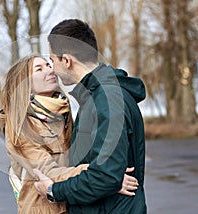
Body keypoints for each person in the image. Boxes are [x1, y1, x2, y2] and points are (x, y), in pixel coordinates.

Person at [0, 54, 139, 213]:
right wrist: (103, 176)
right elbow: (47, 172)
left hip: (72, 203)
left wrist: (103, 178)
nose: (50, 70)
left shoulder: (63, 115)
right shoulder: (20, 126)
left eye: (48, 65)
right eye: (39, 69)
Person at [34, 19, 147, 213]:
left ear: (67, 61)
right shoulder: (96, 98)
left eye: (53, 60)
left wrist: (53, 190)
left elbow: (106, 176)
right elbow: (104, 172)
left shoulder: (107, 99)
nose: (52, 68)